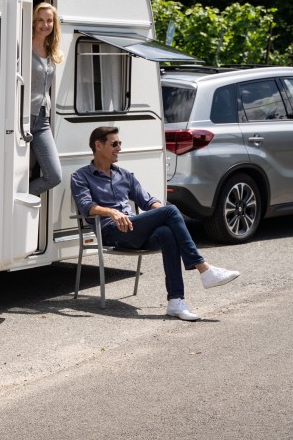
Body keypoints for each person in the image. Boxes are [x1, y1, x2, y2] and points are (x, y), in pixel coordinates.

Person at [70, 125, 240, 320]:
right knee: (171, 211)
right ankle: (204, 269)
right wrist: (111, 212)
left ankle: (175, 302)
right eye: (114, 144)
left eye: (120, 144)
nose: (119, 148)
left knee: (167, 231)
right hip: (110, 232)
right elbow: (86, 206)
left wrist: (165, 215)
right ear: (98, 146)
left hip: (134, 229)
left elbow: (148, 201)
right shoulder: (81, 176)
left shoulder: (124, 175)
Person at [29, 2, 63, 196]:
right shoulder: (24, 45)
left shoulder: (52, 50)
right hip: (22, 119)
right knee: (17, 172)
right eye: (40, 20)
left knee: (54, 175)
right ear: (33, 22)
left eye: (49, 20)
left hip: (42, 120)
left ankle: (22, 197)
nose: (45, 24)